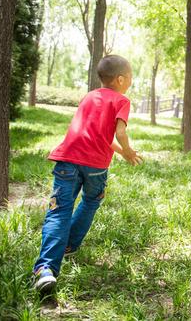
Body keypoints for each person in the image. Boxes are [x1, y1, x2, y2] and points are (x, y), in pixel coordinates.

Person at [33, 55, 142, 293]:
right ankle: (70, 245)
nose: (131, 81)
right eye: (131, 77)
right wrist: (128, 150)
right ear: (121, 79)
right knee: (91, 200)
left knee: (58, 211)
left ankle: (45, 269)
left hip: (67, 159)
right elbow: (120, 133)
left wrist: (121, 153)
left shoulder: (89, 97)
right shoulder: (122, 100)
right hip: (95, 166)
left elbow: (96, 135)